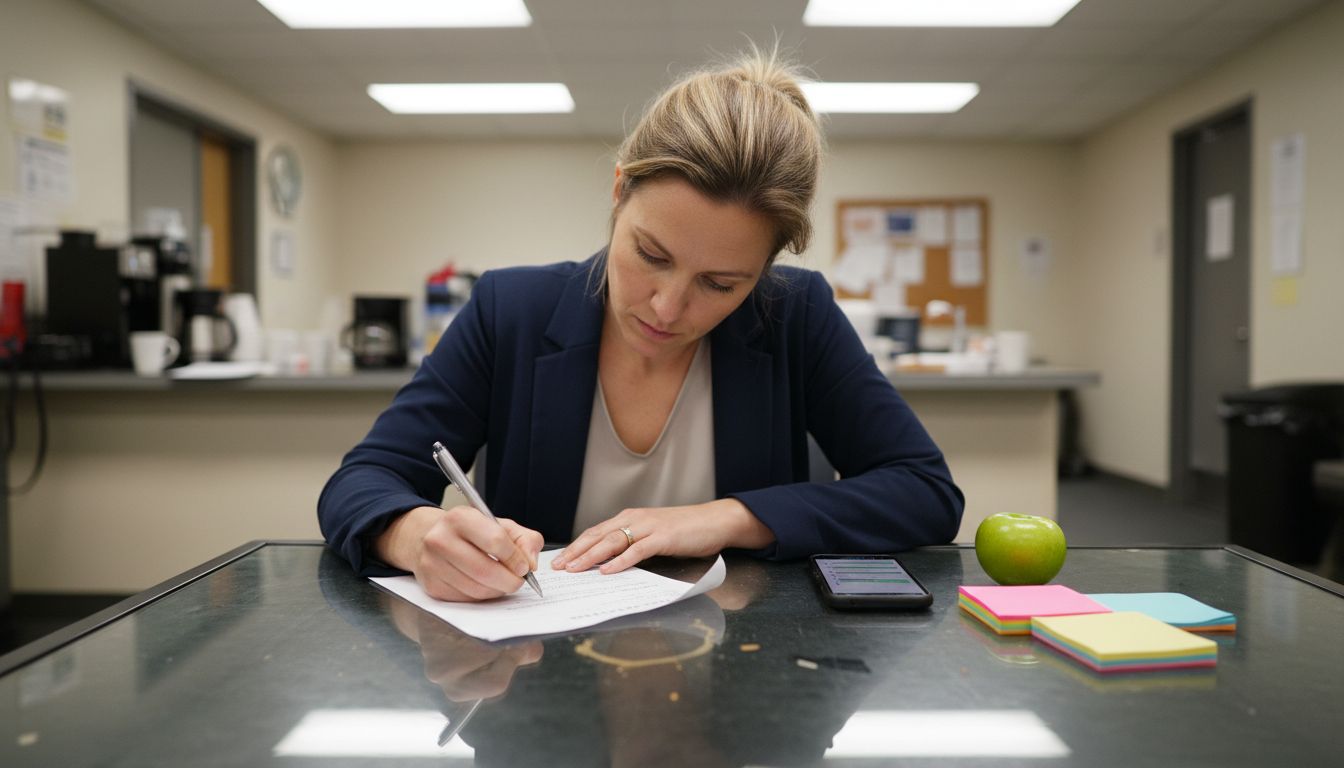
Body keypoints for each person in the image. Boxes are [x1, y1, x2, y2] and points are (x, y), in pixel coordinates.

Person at [318, 45, 964, 602]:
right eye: (650, 256)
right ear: (619, 190)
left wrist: (730, 518)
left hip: (745, 676)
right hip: (539, 685)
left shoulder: (796, 313)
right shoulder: (510, 309)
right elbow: (364, 480)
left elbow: (924, 492)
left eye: (721, 284)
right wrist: (417, 533)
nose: (667, 308)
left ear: (766, 267)